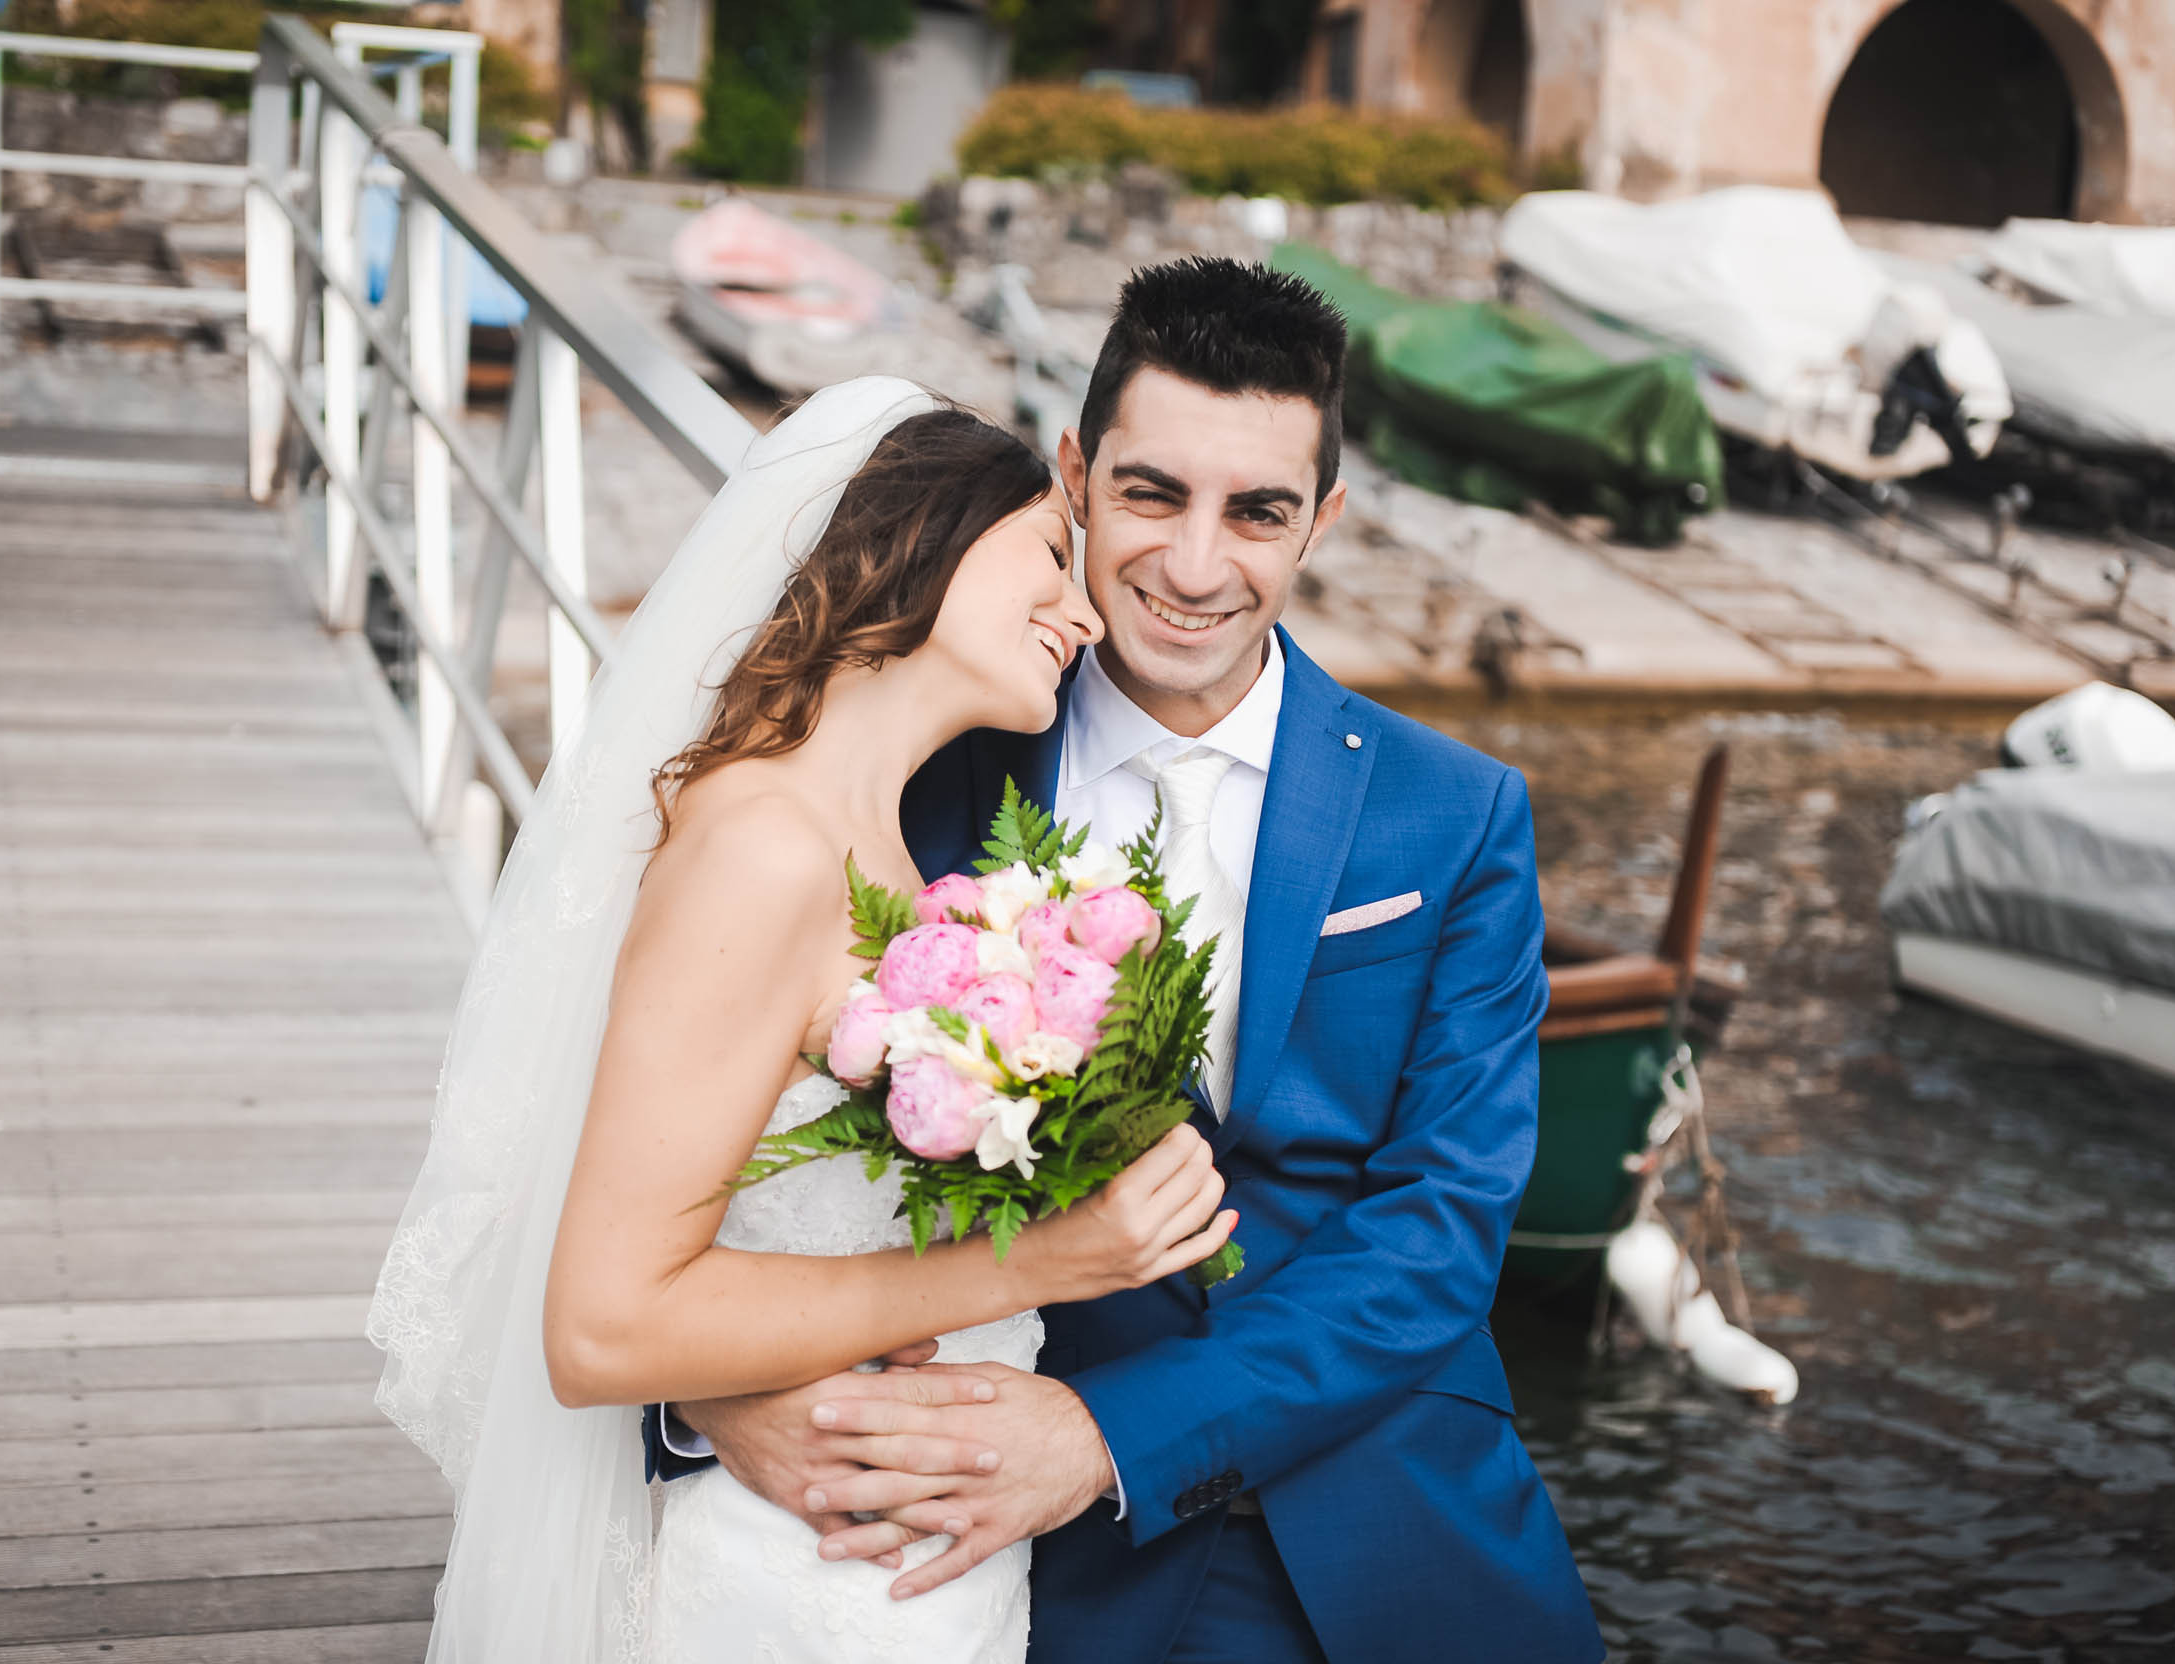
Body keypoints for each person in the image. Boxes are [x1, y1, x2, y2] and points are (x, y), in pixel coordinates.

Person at [659, 257, 1605, 1663]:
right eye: (1153, 494)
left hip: (1386, 1513)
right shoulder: (907, 777)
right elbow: (677, 1156)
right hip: (1010, 1540)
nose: (1196, 566)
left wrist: (1107, 1435)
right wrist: (710, 1398)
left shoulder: (1455, 815)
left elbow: (1439, 1228)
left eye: (1258, 511)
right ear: (1075, 477)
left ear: (1322, 520)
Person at [366, 381, 1236, 1661]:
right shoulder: (765, 848)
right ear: (924, 536)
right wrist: (1048, 1259)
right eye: (1051, 552)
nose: (1084, 609)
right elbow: (602, 1321)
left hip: (918, 1559)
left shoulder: (888, 855)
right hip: (798, 1575)